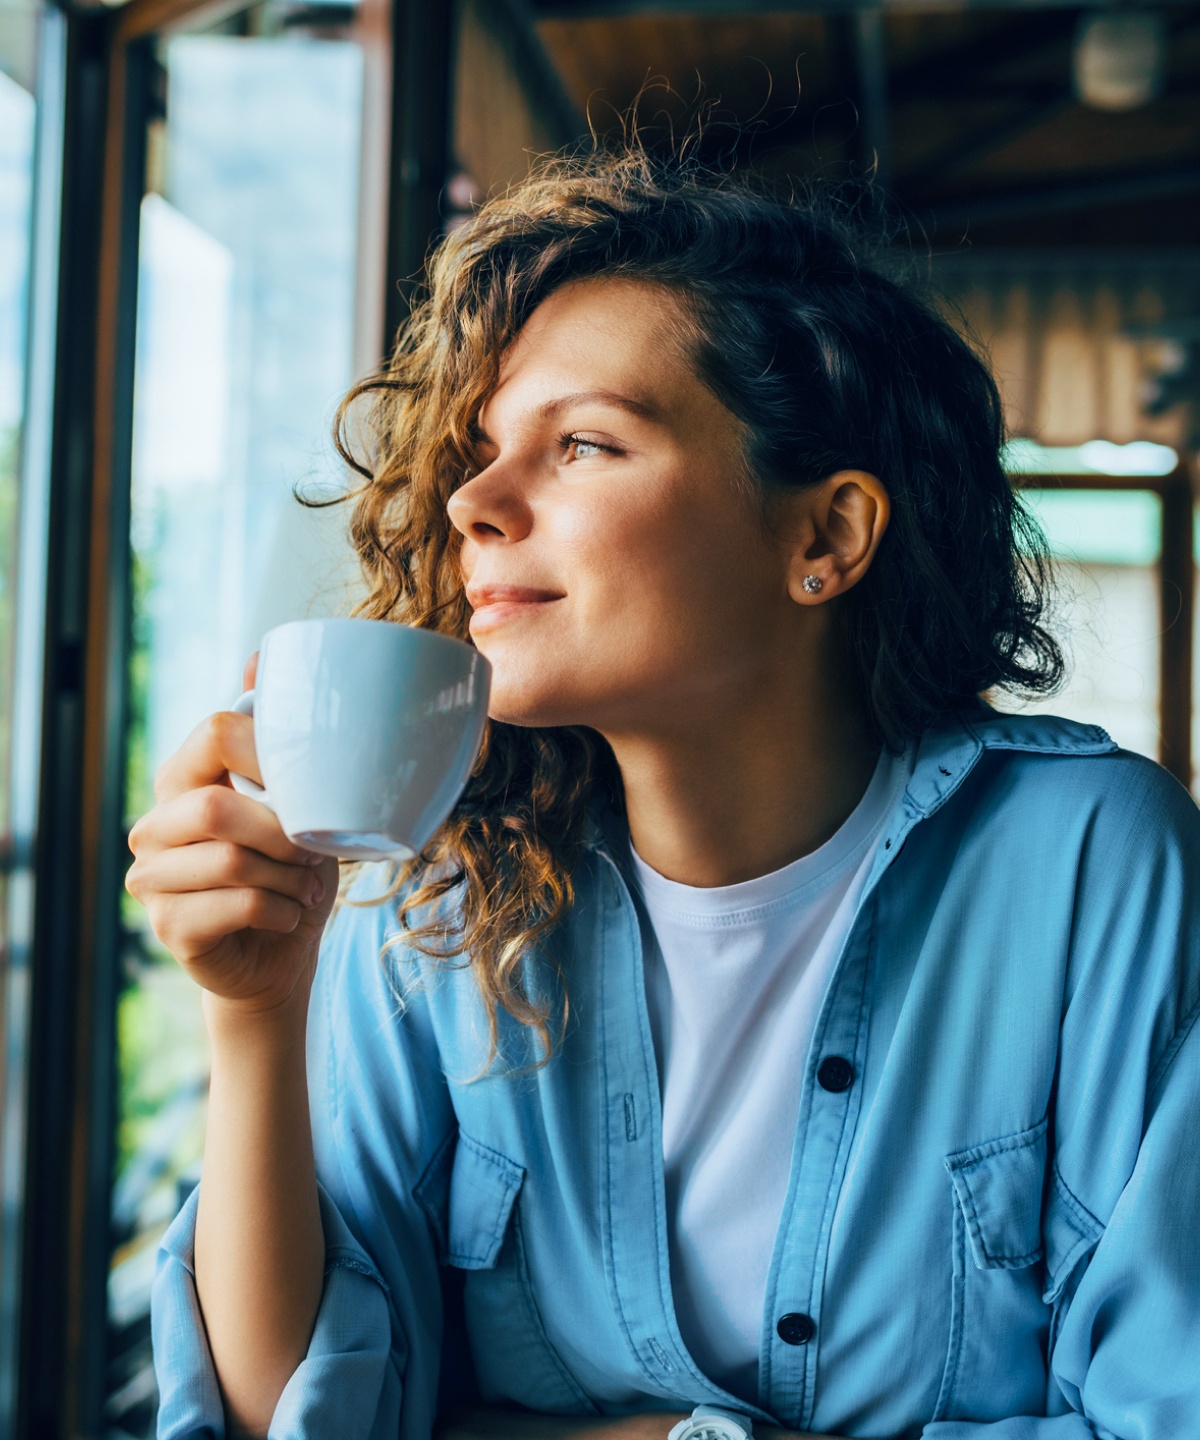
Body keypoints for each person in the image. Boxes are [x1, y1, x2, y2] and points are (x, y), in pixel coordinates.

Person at [128, 147, 1200, 1440]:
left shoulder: (1095, 868)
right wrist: (255, 1012)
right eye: (479, 453)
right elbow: (284, 1418)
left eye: (581, 443)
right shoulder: (438, 888)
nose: (473, 500)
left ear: (824, 538)